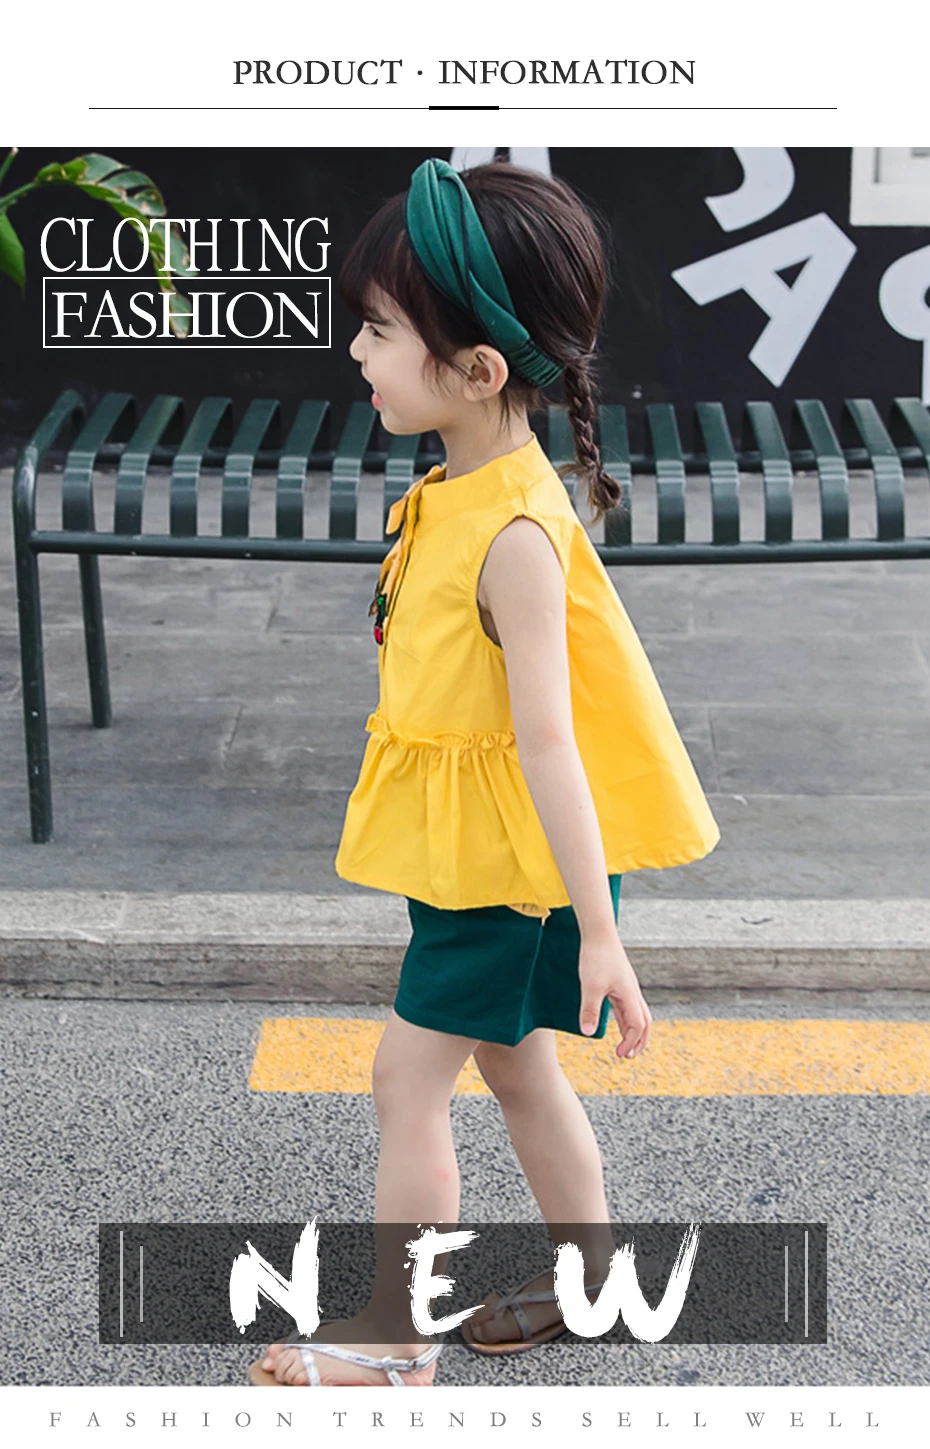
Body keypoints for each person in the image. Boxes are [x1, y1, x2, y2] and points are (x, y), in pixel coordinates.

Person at [249, 157, 720, 1389]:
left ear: (477, 371)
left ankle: (395, 1339)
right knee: (517, 1065)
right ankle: (594, 1283)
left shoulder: (515, 532)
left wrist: (601, 934)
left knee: (405, 1077)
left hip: (509, 879)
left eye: (379, 329)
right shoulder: (462, 490)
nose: (355, 350)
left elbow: (554, 745)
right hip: (489, 862)